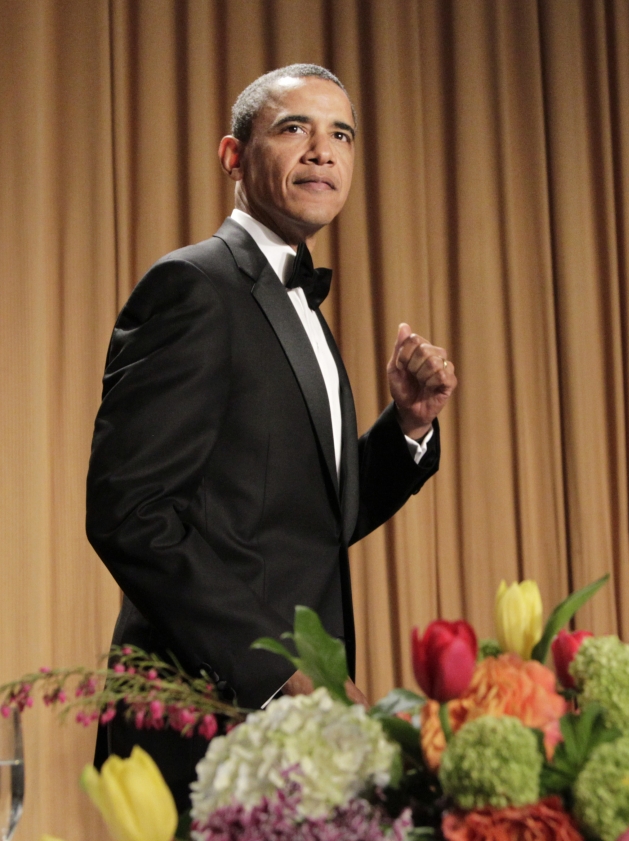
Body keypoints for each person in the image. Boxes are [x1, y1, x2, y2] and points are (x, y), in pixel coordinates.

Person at [85, 64, 456, 810]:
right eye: (295, 129)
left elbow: (313, 518)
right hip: (204, 717)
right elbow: (131, 512)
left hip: (293, 732)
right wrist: (284, 665)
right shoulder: (193, 286)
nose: (323, 151)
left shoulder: (298, 309)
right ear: (232, 156)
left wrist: (408, 428)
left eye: (341, 135)